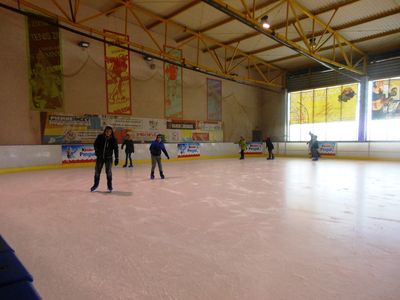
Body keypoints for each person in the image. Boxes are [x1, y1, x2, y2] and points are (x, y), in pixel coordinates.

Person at [90, 126, 119, 192]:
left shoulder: (113, 139)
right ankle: (95, 185)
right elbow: (95, 144)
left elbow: (116, 149)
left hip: (109, 158)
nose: (108, 133)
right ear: (105, 131)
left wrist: (117, 158)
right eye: (107, 131)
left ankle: (109, 186)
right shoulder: (100, 137)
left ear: (111, 132)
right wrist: (96, 151)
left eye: (110, 132)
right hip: (100, 158)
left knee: (108, 172)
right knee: (97, 172)